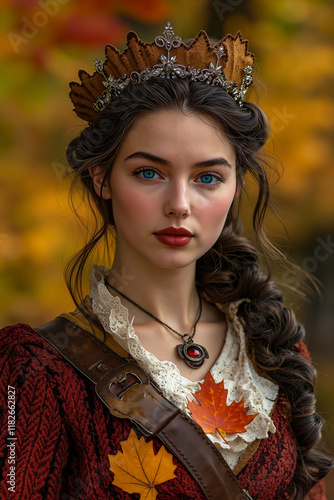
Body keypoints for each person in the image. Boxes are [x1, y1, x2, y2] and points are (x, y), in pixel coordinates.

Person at [0, 22, 332, 500]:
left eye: (208, 178)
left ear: (236, 185)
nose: (180, 203)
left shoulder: (272, 346)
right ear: (102, 179)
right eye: (149, 172)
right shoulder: (34, 370)